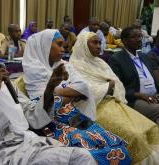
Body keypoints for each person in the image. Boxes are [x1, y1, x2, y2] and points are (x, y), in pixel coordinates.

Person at [0, 29, 97, 165]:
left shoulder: (5, 82)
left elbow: (32, 115)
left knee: (82, 156)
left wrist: (49, 87)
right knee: (80, 158)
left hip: (26, 142)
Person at [22, 29, 131, 165]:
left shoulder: (64, 64)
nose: (63, 50)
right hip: (52, 122)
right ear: (45, 46)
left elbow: (84, 87)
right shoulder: (33, 69)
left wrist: (54, 90)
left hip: (72, 114)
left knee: (115, 144)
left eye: (64, 46)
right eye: (59, 45)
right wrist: (68, 94)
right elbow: (43, 102)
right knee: (98, 152)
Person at [70, 31, 159, 164]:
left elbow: (117, 84)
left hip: (114, 102)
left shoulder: (100, 62)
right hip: (93, 108)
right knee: (135, 135)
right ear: (83, 45)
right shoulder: (73, 65)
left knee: (151, 127)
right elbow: (83, 91)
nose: (98, 46)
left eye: (100, 42)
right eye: (94, 42)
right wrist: (107, 87)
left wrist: (110, 87)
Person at [109, 26, 159, 124]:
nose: (139, 39)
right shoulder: (117, 59)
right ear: (125, 41)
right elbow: (118, 87)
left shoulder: (144, 56)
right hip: (135, 99)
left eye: (140, 36)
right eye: (134, 37)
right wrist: (141, 95)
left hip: (154, 96)